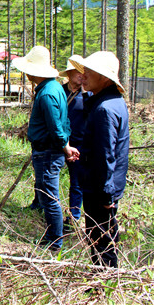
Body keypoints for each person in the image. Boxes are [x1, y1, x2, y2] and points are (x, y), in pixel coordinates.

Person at [11, 46, 79, 250]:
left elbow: (56, 125)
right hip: (47, 150)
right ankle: (52, 236)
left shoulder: (48, 93)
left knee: (49, 197)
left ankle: (54, 241)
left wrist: (65, 147)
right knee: (45, 193)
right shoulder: (53, 88)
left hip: (48, 152)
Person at [70, 51, 129, 268]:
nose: (82, 76)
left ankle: (104, 285)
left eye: (89, 73)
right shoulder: (111, 101)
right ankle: (103, 280)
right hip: (103, 185)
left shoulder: (105, 109)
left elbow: (106, 156)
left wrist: (106, 194)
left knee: (100, 238)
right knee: (103, 237)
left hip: (99, 188)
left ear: (104, 78)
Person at [59, 55, 91, 230]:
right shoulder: (60, 91)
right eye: (78, 72)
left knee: (76, 182)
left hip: (78, 145)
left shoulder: (88, 95)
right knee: (46, 176)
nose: (81, 75)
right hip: (58, 142)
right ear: (69, 73)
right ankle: (40, 203)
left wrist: (86, 94)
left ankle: (74, 217)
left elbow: (91, 114)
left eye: (83, 73)